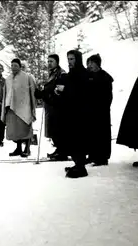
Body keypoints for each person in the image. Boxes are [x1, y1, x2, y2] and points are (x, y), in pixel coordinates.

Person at [58, 49, 91, 178]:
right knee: (72, 139)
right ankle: (77, 164)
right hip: (71, 112)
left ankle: (81, 167)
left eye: (72, 59)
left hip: (80, 113)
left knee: (79, 139)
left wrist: (65, 89)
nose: (70, 62)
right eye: (68, 59)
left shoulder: (83, 73)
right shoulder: (71, 74)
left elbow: (82, 93)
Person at [1, 58, 37, 158]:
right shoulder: (8, 79)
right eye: (12, 65)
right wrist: (5, 106)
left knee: (26, 128)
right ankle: (18, 148)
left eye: (16, 66)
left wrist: (33, 107)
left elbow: (32, 92)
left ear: (20, 66)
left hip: (24, 107)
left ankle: (27, 149)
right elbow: (6, 93)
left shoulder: (27, 77)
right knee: (15, 130)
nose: (13, 68)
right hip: (11, 107)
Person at [37, 54, 68, 161]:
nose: (49, 63)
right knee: (52, 128)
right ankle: (58, 149)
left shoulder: (61, 74)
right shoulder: (52, 73)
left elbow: (59, 90)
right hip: (50, 105)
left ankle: (62, 151)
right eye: (48, 61)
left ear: (57, 62)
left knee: (58, 128)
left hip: (58, 106)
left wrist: (46, 95)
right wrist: (41, 93)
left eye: (51, 61)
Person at [86, 54, 114, 166]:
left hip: (101, 111)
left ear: (97, 63)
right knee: (91, 133)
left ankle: (102, 158)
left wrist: (102, 107)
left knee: (102, 134)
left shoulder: (105, 77)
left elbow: (108, 96)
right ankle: (92, 155)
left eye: (92, 63)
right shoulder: (88, 75)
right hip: (90, 110)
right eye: (88, 63)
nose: (89, 65)